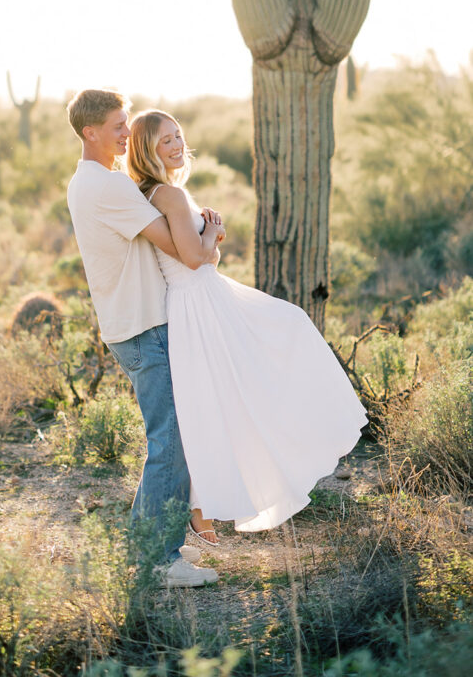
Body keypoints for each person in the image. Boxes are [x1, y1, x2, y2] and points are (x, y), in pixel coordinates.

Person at [127, 109, 368, 545]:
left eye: (179, 135)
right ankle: (205, 506)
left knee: (214, 401)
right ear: (147, 149)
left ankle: (202, 508)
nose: (178, 144)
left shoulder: (153, 194)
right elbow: (194, 257)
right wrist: (213, 232)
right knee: (275, 343)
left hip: (195, 300)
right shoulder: (171, 196)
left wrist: (208, 244)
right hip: (200, 302)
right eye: (166, 140)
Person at [65, 89, 224, 587]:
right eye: (117, 125)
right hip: (143, 326)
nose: (126, 132)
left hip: (131, 324)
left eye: (127, 122)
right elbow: (179, 249)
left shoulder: (86, 181)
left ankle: (157, 547)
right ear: (90, 132)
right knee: (170, 442)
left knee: (172, 437)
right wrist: (210, 235)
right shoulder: (108, 187)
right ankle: (156, 561)